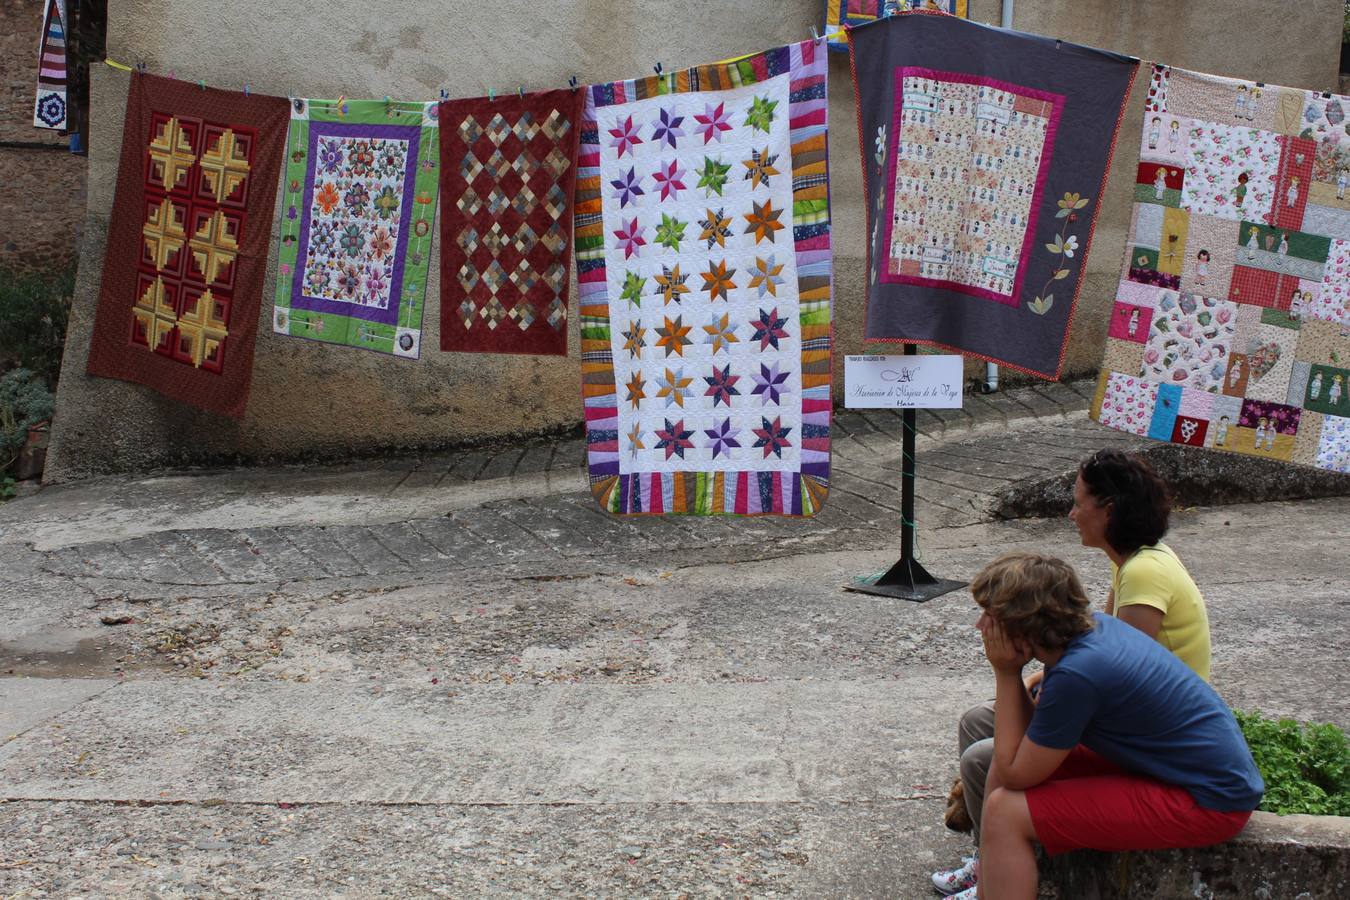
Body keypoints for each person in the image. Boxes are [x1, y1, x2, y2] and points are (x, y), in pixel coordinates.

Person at [932, 450, 1211, 897]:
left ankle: (998, 860)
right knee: (982, 733)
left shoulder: (1142, 574)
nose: (1071, 512)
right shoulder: (1128, 570)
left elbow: (1020, 770)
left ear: (1109, 509)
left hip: (1175, 774)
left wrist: (1007, 674)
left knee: (996, 779)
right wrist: (1028, 680)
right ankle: (993, 860)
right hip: (1151, 743)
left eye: (1079, 501)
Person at [967, 552, 1262, 900]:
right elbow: (1020, 754)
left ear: (1024, 624)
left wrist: (1005, 671)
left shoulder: (1079, 672)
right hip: (1176, 772)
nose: (981, 627)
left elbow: (1019, 773)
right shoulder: (1088, 634)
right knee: (996, 772)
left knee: (1006, 812)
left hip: (1209, 800)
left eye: (991, 617)